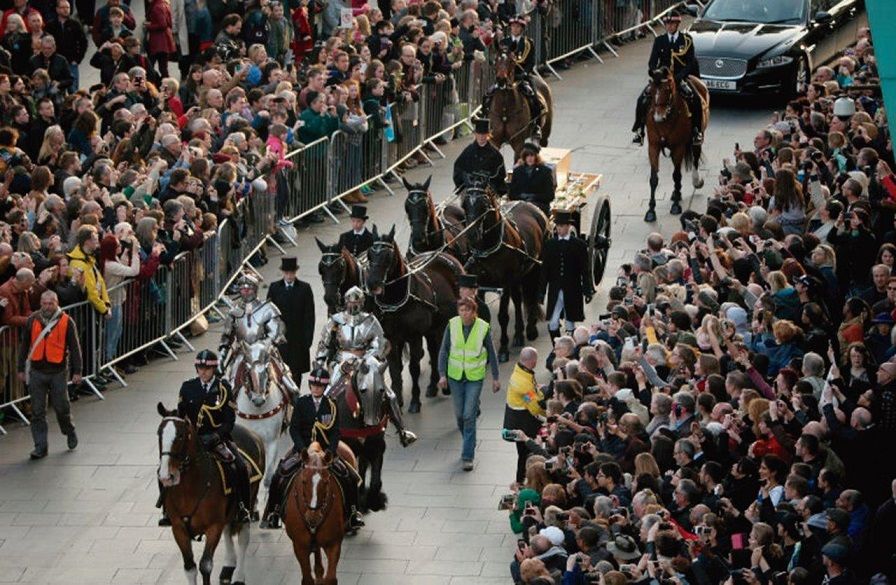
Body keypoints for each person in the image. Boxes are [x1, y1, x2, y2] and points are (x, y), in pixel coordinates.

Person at [260, 365, 366, 531]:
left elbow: (335, 431)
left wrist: (331, 451)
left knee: (349, 476)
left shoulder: (331, 404)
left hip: (325, 450)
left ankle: (353, 513)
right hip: (303, 449)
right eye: (314, 386)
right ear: (310, 386)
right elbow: (294, 429)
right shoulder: (302, 403)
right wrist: (302, 449)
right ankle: (274, 512)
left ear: (324, 387)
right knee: (279, 474)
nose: (316, 389)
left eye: (320, 386)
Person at [170, 350, 251, 523]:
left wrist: (215, 436)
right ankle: (166, 509)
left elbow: (229, 421)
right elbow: (181, 416)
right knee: (166, 466)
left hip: (216, 439)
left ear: (214, 369)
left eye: (207, 369)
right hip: (192, 439)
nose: (203, 372)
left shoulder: (223, 389)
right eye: (200, 368)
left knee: (239, 466)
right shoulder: (187, 387)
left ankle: (243, 507)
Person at [16, 290, 81, 460]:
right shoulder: (32, 320)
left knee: (61, 408)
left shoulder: (67, 321)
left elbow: (75, 348)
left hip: (58, 371)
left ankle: (69, 430)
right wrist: (20, 369)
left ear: (57, 303)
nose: (47, 306)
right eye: (44, 303)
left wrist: (77, 371)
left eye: (51, 303)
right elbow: (24, 345)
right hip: (37, 372)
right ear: (40, 304)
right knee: (37, 412)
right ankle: (40, 447)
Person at [437, 297, 500, 471]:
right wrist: (441, 374)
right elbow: (444, 350)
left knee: (468, 415)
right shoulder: (452, 325)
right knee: (459, 415)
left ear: (474, 312)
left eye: (467, 310)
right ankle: (469, 440)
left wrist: (495, 377)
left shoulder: (482, 327)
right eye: (461, 310)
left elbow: (492, 353)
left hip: (474, 378)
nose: (464, 314)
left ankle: (467, 456)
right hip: (455, 376)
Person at [218, 274, 299, 396]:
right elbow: (226, 339)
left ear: (255, 289)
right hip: (242, 353)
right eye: (243, 289)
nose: (246, 291)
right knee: (231, 387)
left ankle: (294, 405)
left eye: (249, 288)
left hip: (265, 352)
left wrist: (264, 345)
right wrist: (221, 359)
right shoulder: (234, 312)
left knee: (290, 387)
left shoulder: (267, 308)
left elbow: (277, 330)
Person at [631, 9, 702, 146]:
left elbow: (691, 62)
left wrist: (679, 76)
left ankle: (696, 131)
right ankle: (639, 130)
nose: (669, 26)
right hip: (662, 79)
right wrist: (655, 72)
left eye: (672, 24)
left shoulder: (686, 40)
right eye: (667, 24)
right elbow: (652, 62)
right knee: (642, 99)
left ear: (677, 25)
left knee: (695, 99)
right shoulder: (660, 40)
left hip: (680, 77)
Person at [481, 15, 544, 141]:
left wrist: (525, 73)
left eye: (517, 27)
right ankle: (483, 121)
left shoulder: (528, 43)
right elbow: (498, 59)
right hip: (505, 76)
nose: (515, 29)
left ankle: (536, 125)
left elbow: (530, 61)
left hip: (521, 76)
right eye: (513, 27)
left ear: (522, 29)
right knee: (488, 95)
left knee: (534, 97)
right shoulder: (504, 42)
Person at [316, 286, 387, 389]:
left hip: (365, 360)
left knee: (379, 388)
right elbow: (324, 344)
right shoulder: (336, 319)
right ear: (346, 302)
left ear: (362, 303)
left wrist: (367, 357)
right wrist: (319, 363)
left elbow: (379, 342)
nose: (353, 305)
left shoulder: (371, 320)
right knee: (332, 389)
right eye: (350, 302)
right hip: (341, 360)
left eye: (356, 302)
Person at [541, 211, 593, 342]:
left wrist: (587, 290)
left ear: (568, 226)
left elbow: (584, 270)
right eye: (557, 226)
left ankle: (570, 346)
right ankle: (557, 347)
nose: (559, 229)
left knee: (570, 322)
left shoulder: (579, 245)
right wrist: (541, 292)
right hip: (555, 289)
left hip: (572, 289)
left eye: (562, 226)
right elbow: (545, 270)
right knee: (553, 322)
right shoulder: (550, 244)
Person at [266, 257, 315, 389]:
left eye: (291, 273)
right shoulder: (275, 288)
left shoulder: (304, 288)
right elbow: (268, 313)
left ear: (295, 272)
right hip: (280, 339)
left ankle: (295, 396)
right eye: (287, 273)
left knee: (296, 372)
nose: (289, 276)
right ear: (283, 273)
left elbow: (309, 315)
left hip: (298, 339)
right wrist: (270, 336)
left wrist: (308, 340)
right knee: (278, 371)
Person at [504, 346, 545, 483]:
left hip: (516, 420)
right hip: (524, 422)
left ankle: (520, 481)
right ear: (533, 361)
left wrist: (538, 393)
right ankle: (522, 481)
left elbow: (528, 397)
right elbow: (534, 407)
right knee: (526, 453)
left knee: (522, 453)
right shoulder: (524, 383)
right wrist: (547, 414)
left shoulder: (520, 372)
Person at [453, 117, 507, 195]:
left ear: (488, 135)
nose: (481, 137)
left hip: (488, 190)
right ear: (475, 134)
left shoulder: (495, 154)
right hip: (469, 187)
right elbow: (458, 168)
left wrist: (487, 182)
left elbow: (500, 177)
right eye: (479, 134)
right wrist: (467, 180)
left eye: (484, 134)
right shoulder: (468, 151)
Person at [509, 140, 555, 217]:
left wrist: (534, 197)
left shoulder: (545, 171)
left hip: (539, 206)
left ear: (536, 157)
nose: (530, 158)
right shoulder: (517, 171)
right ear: (524, 157)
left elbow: (550, 195)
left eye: (532, 155)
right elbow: (511, 194)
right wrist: (522, 196)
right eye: (527, 156)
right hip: (520, 205)